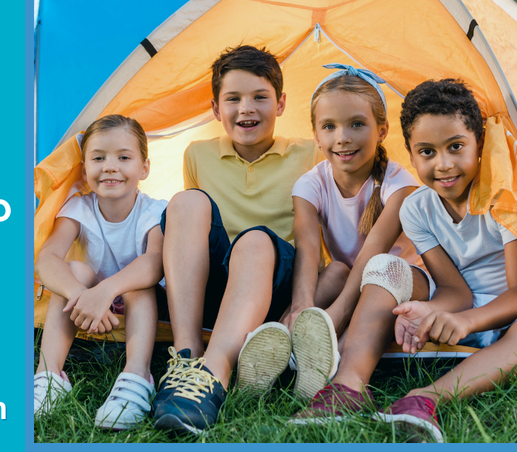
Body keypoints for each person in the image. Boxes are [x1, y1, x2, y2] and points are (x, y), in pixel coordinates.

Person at [293, 79, 517, 443]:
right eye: (427, 152)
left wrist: (464, 320)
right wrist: (428, 312)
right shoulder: (417, 207)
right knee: (384, 266)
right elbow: (453, 288)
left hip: (511, 314)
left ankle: (422, 399)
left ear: (479, 145)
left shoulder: (503, 199)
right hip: (456, 311)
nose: (443, 165)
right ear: (410, 155)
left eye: (455, 147)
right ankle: (347, 386)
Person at [152, 45, 319, 433]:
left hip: (273, 283)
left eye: (260, 97)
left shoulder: (311, 153)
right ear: (215, 109)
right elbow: (193, 235)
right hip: (217, 287)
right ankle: (186, 358)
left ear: (280, 104)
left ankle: (214, 374)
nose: (246, 108)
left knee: (256, 240)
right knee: (187, 202)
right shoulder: (197, 154)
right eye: (233, 99)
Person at [237, 64, 421, 400]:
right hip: (349, 278)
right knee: (335, 269)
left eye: (356, 124)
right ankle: (280, 340)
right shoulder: (311, 183)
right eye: (329, 127)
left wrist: (333, 316)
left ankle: (312, 351)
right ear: (317, 135)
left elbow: (372, 255)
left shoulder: (400, 186)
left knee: (367, 282)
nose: (342, 137)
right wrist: (301, 308)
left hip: (397, 284)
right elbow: (308, 248)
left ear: (381, 130)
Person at [33, 114, 167, 431]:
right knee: (75, 269)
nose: (109, 166)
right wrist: (84, 296)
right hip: (90, 304)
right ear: (84, 169)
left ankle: (136, 378)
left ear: (144, 168)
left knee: (139, 283)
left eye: (123, 157)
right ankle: (47, 378)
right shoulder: (78, 208)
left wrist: (105, 293)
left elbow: (155, 262)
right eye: (98, 158)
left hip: (140, 304)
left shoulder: (155, 210)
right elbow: (47, 259)